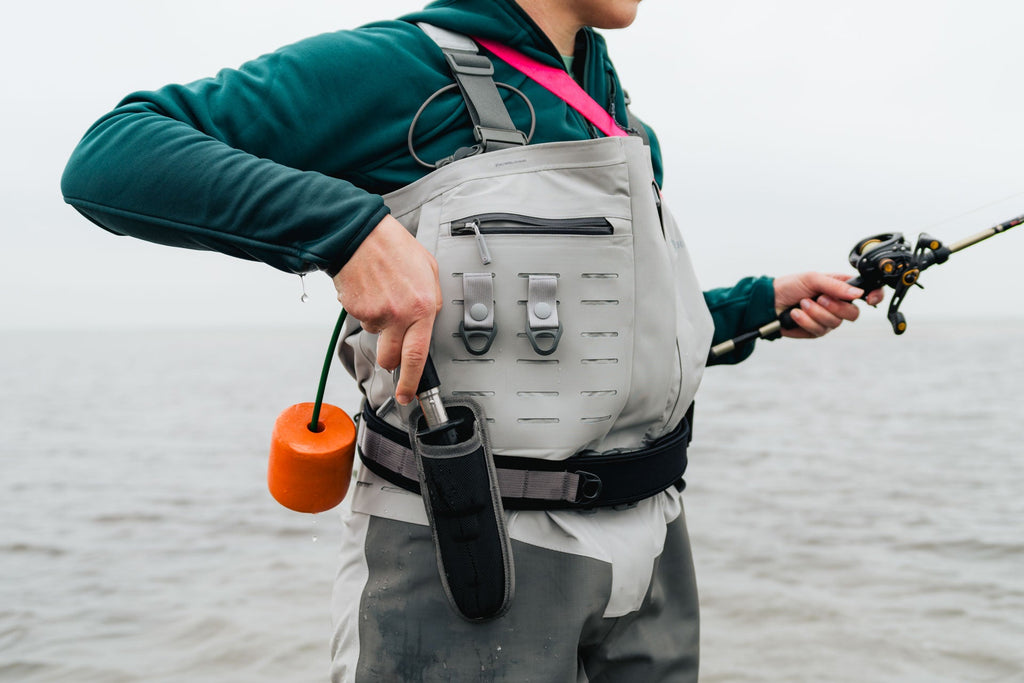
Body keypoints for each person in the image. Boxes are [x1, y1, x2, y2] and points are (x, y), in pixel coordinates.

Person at [61, 0, 883, 680]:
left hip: (656, 556)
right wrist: (347, 233)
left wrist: (758, 304)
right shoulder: (402, 70)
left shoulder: (627, 125)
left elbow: (603, 336)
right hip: (470, 554)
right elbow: (113, 153)